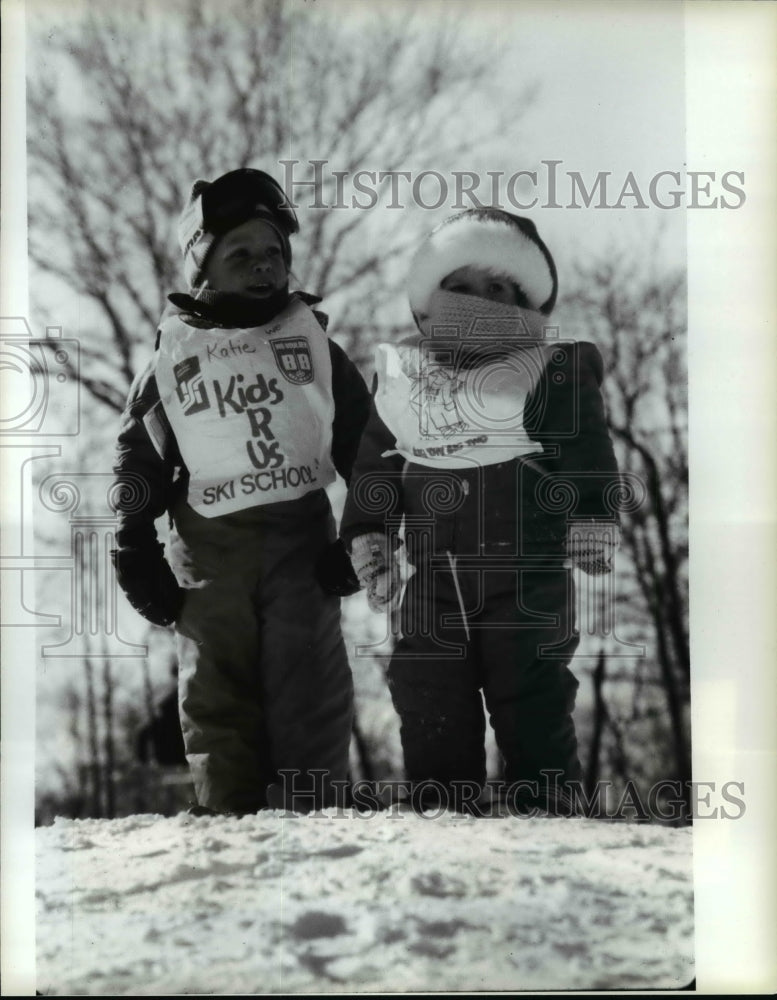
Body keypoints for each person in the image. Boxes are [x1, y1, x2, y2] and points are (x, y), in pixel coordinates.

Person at [340, 208, 621, 816]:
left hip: (529, 574)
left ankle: (547, 811)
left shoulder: (551, 367)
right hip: (433, 578)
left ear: (529, 302)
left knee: (534, 693)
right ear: (428, 300)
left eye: (498, 289)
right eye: (460, 287)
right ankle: (443, 814)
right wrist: (369, 535)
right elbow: (374, 464)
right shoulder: (404, 376)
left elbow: (585, 443)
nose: (478, 302)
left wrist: (593, 513)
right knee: (426, 692)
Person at [112, 168, 371, 815]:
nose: (263, 267)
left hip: (301, 558)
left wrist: (364, 534)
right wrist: (133, 549)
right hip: (207, 563)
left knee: (308, 692)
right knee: (217, 703)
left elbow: (368, 446)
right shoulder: (173, 359)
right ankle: (231, 832)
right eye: (241, 254)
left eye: (274, 253)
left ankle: (320, 830)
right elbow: (135, 462)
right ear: (203, 267)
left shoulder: (313, 348)